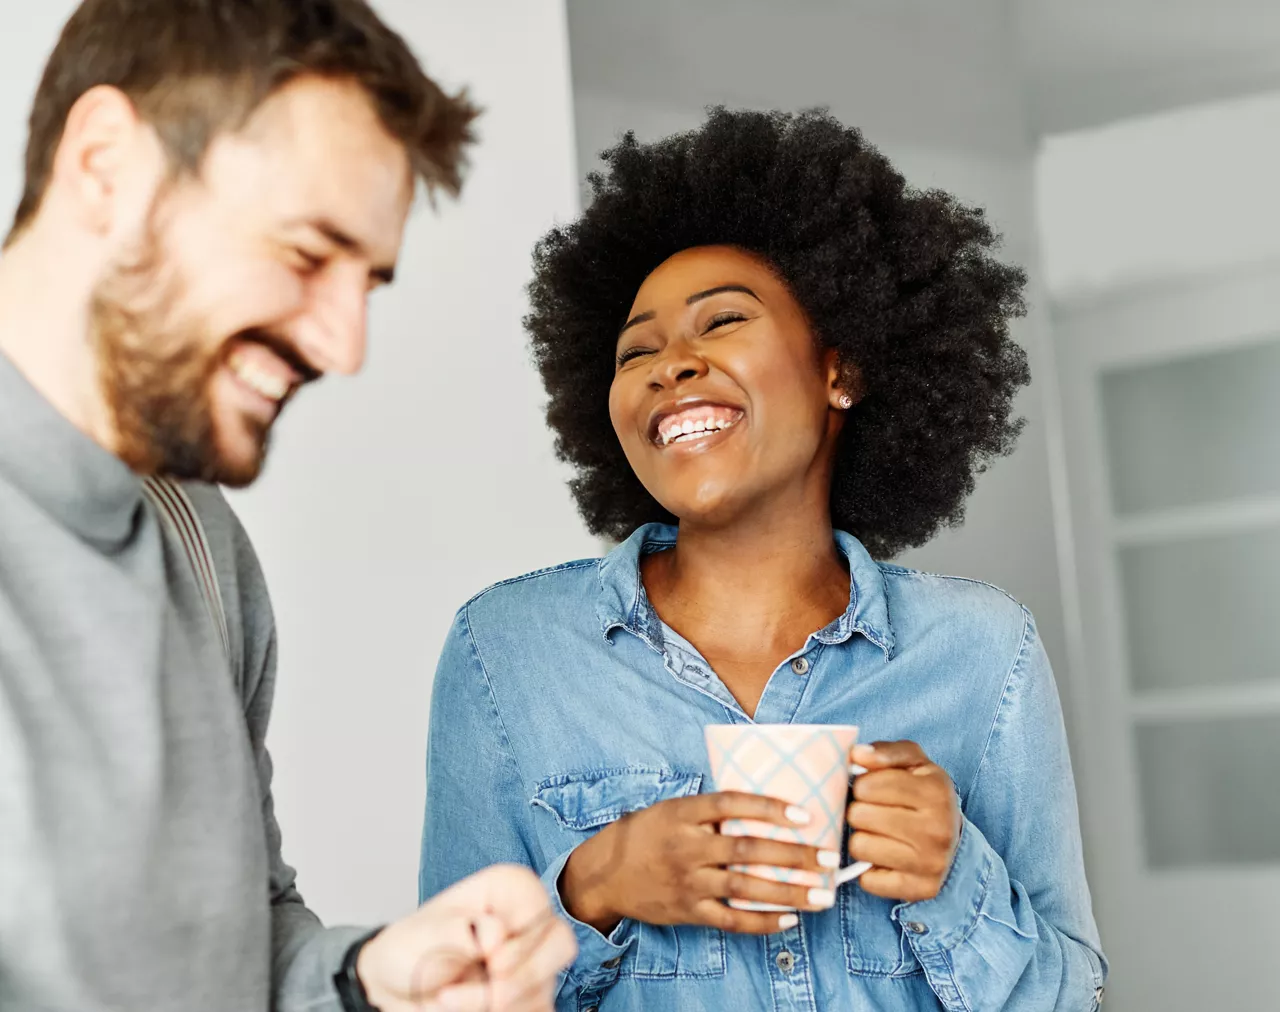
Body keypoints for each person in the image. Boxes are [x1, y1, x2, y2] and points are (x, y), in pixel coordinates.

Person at [420, 108, 1108, 1011]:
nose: (672, 365)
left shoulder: (984, 653)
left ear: (840, 372)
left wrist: (955, 877)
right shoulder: (506, 654)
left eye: (723, 321)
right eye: (637, 351)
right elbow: (437, 995)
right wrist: (590, 890)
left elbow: (1074, 998)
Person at [0, 2, 575, 1010]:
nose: (344, 346)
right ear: (103, 165)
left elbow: (238, 926)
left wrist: (363, 982)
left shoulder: (205, 543)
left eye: (369, 283)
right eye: (308, 256)